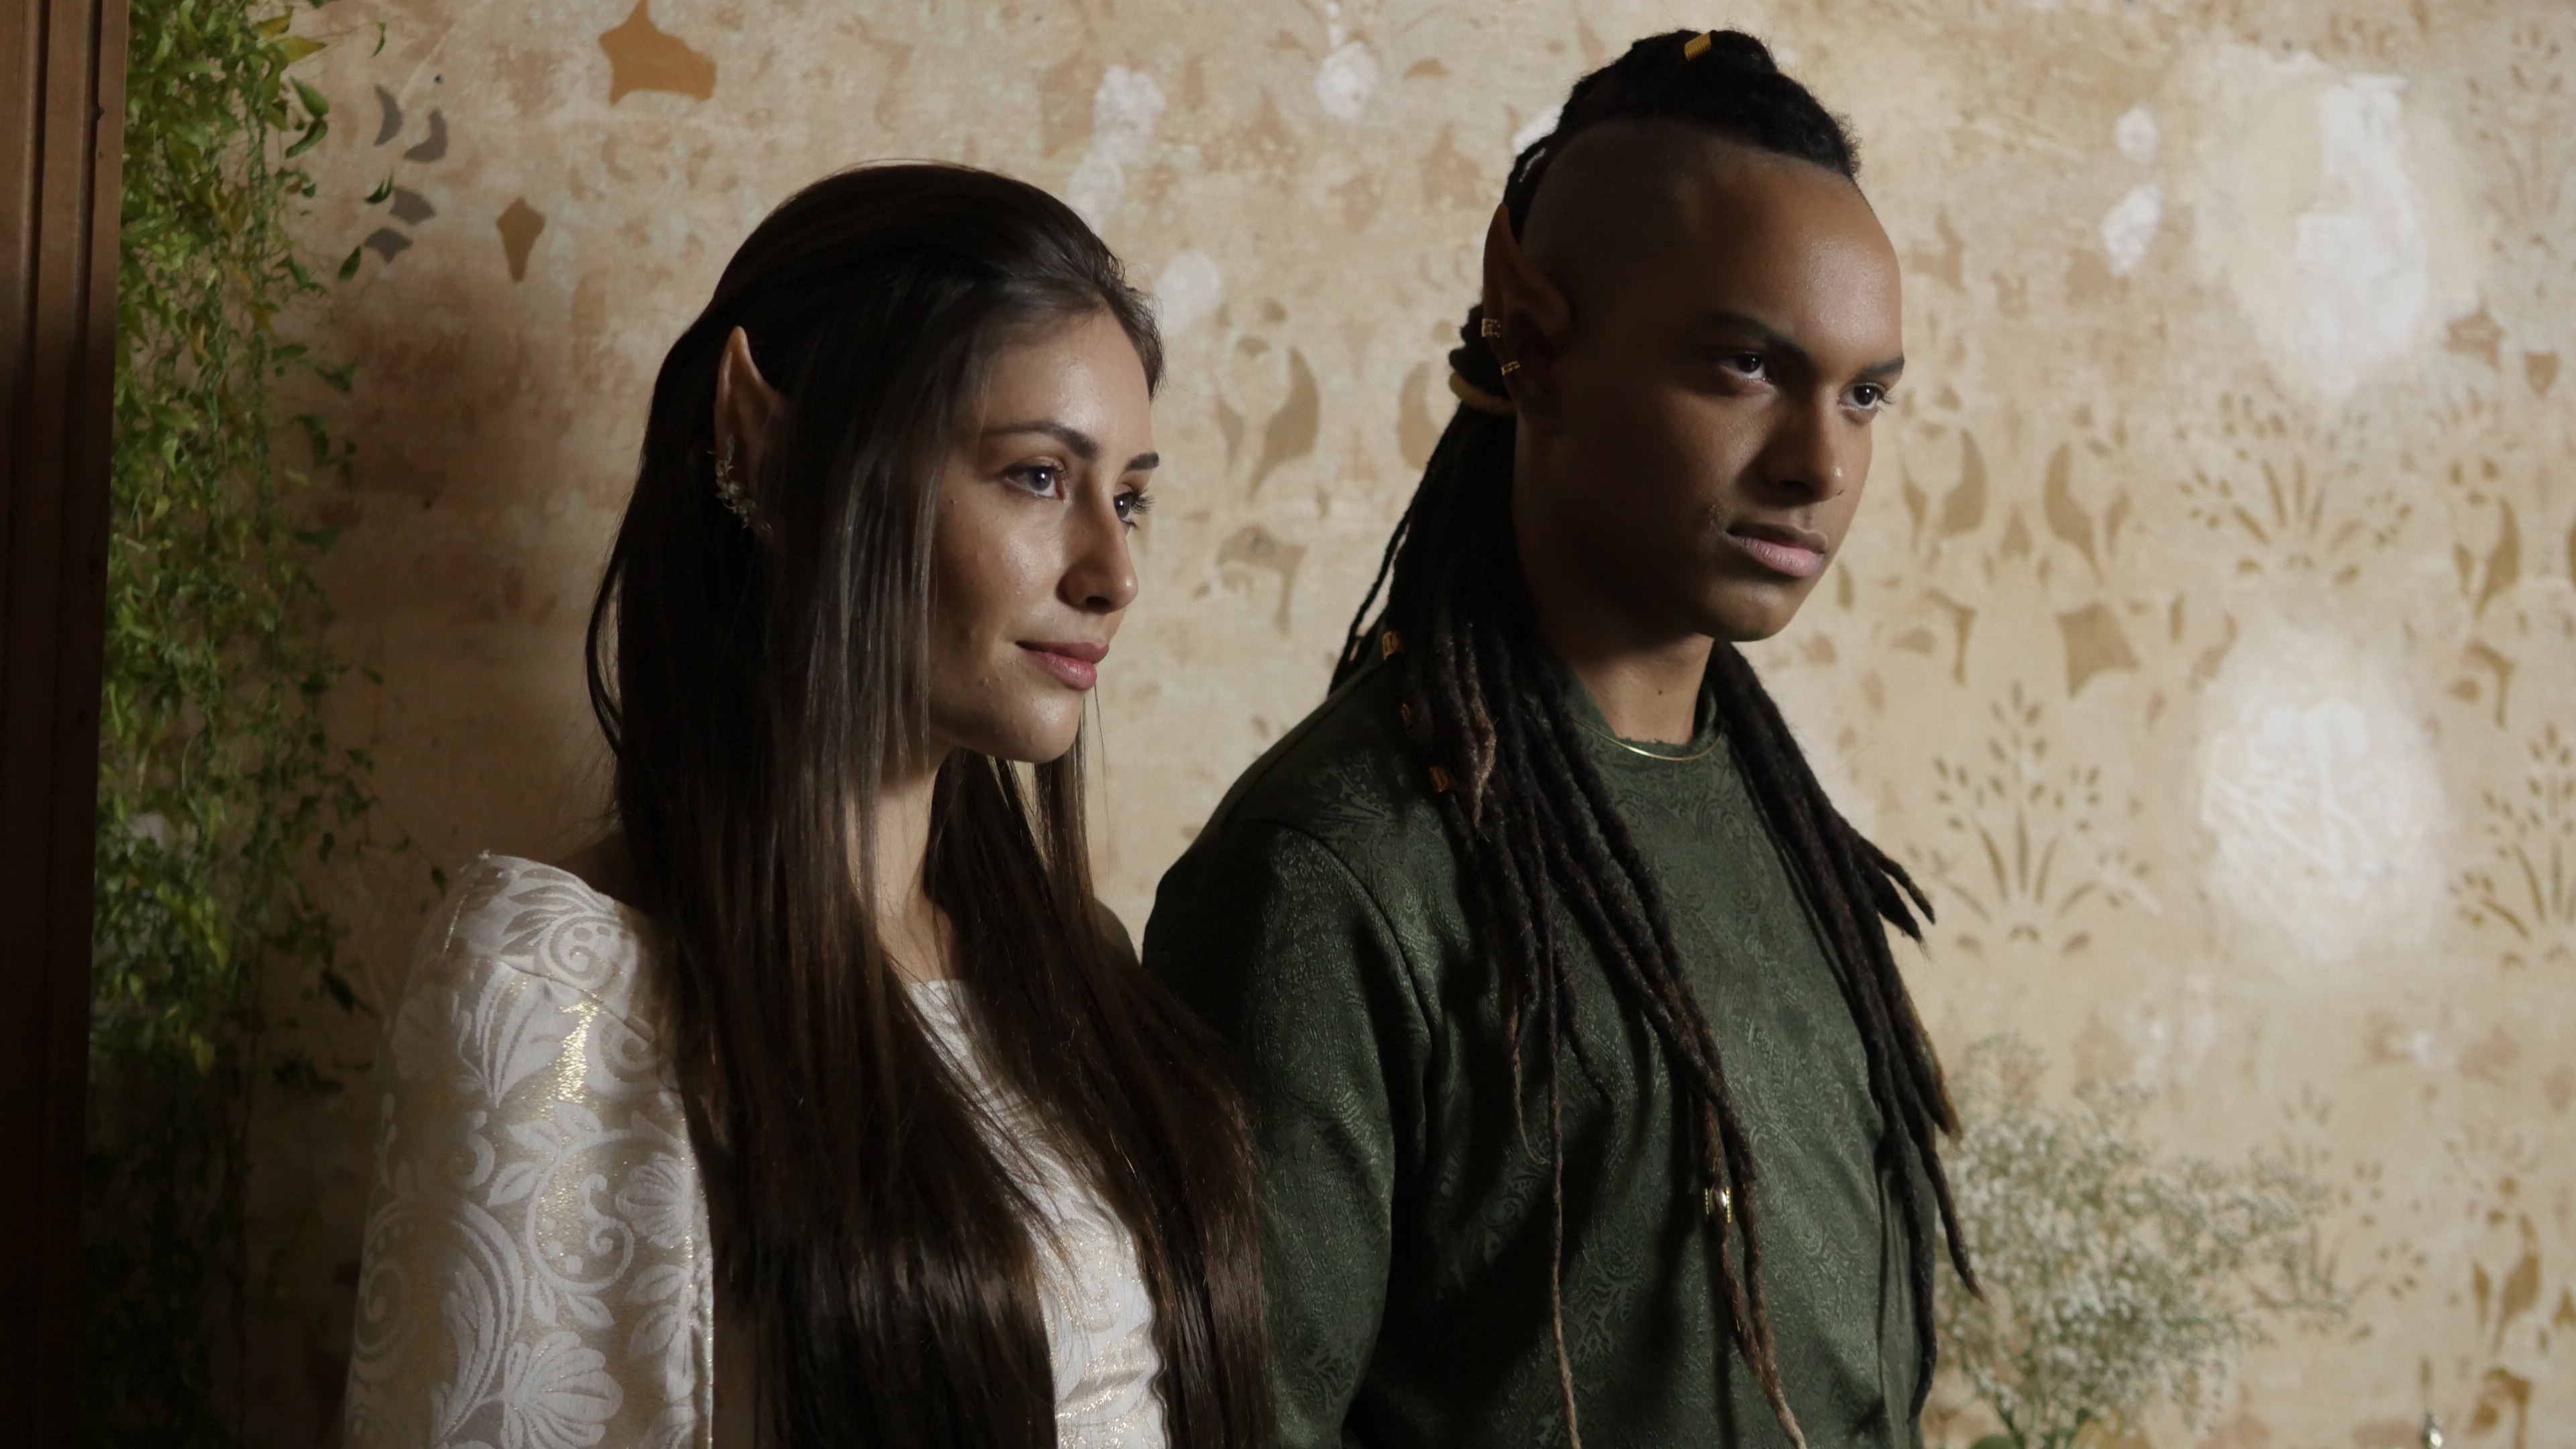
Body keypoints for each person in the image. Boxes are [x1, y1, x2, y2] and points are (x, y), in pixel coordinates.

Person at [343, 164, 1267, 1449]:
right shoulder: (565, 992)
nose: (1115, 572)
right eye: (1037, 477)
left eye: (1130, 496)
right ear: (770, 460)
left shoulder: (1076, 979)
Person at [1143, 30, 1972, 1449]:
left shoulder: (1781, 832)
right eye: (1746, 365)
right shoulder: (1333, 876)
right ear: (1529, 340)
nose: (1822, 465)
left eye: (1864, 394)